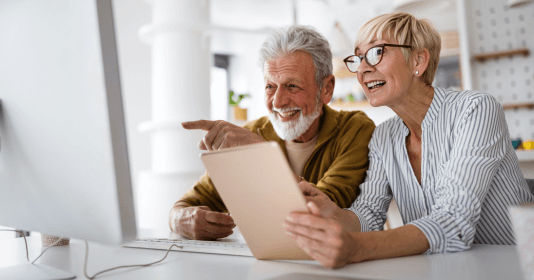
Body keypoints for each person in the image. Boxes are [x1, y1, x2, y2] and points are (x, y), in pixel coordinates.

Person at [283, 12, 534, 268]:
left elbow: (453, 220)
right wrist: (332, 213)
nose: (363, 69)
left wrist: (356, 247)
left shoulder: (475, 109)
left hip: (517, 267)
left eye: (376, 53)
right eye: (358, 58)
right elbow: (369, 213)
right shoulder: (383, 136)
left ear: (418, 60)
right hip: (442, 271)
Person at [169, 26, 376, 240]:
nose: (277, 102)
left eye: (292, 86)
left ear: (326, 89)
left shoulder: (355, 129)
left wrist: (261, 153)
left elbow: (326, 208)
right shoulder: (250, 133)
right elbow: (186, 204)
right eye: (270, 86)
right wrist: (180, 220)